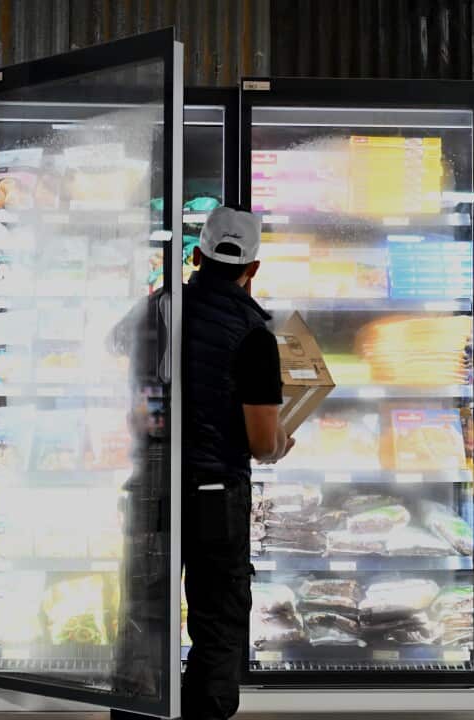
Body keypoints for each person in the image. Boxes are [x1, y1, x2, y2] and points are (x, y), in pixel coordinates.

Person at [180, 205, 293, 719]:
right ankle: (203, 710)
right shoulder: (255, 336)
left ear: (197, 256)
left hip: (153, 485)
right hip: (215, 495)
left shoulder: (159, 310)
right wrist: (282, 442)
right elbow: (261, 442)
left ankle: (140, 709)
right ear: (254, 268)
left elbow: (118, 356)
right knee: (218, 616)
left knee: (145, 608)